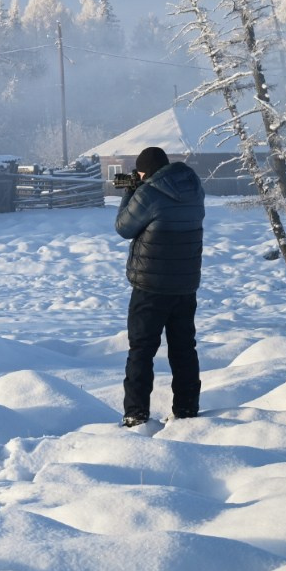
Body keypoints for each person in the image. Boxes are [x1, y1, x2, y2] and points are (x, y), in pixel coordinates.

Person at [114, 145, 205, 427]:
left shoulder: (149, 193)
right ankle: (187, 410)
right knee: (183, 349)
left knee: (141, 350)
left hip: (150, 285)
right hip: (185, 283)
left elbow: (123, 227)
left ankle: (136, 414)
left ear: (147, 172)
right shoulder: (193, 188)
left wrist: (130, 192)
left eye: (140, 173)